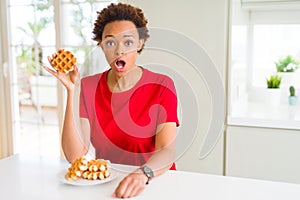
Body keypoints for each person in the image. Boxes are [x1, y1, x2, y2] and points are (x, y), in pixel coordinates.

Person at [44, 3, 179, 198]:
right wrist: (72, 91)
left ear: (140, 43)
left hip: (156, 183)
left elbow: (166, 151)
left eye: (128, 42)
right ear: (101, 45)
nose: (119, 51)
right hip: (110, 187)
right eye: (110, 42)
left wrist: (143, 174)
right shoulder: (88, 87)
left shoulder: (162, 85)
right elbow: (75, 156)